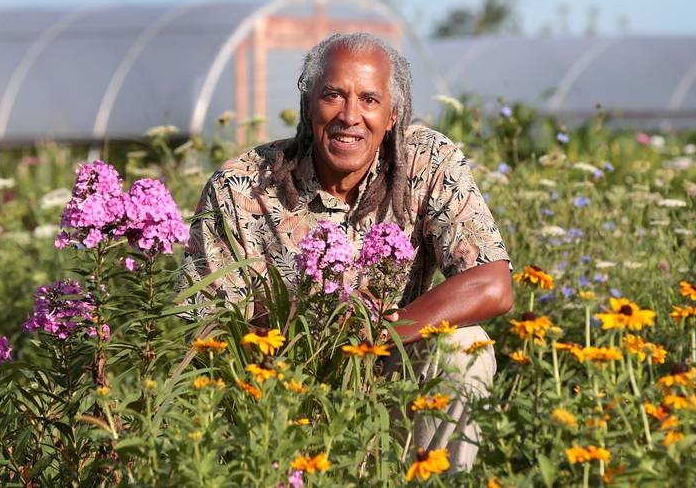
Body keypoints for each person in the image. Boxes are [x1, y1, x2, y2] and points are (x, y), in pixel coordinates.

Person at [178, 32, 513, 471]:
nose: (350, 116)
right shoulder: (242, 186)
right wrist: (310, 342)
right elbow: (207, 329)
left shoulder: (427, 162)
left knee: (463, 347)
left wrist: (374, 335)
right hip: (281, 395)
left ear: (393, 115)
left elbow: (492, 284)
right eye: (333, 95)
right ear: (308, 104)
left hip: (393, 383)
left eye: (370, 100)